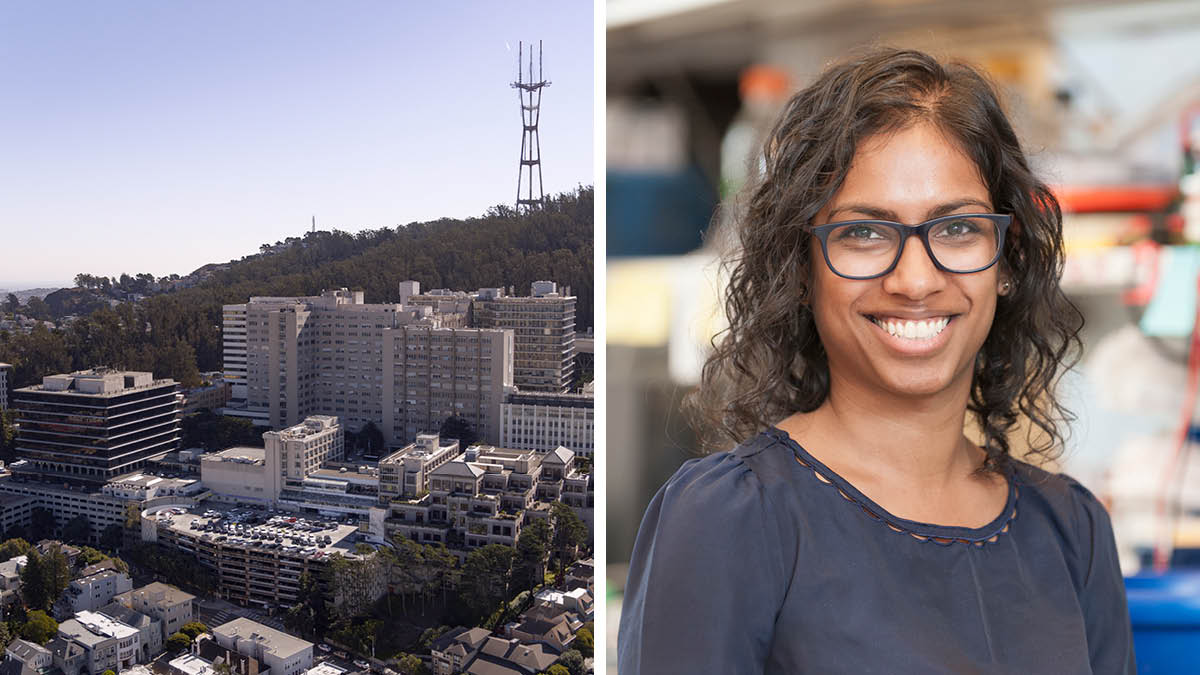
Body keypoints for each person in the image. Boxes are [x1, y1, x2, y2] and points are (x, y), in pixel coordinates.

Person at [617, 48, 1136, 674]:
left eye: (957, 230)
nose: (915, 280)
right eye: (864, 232)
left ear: (1007, 258)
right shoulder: (729, 519)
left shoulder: (1072, 531)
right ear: (801, 267)